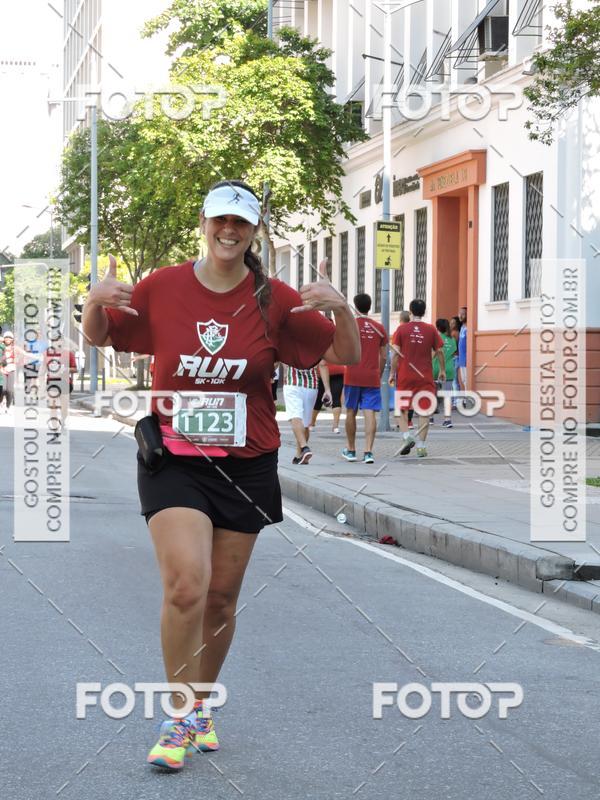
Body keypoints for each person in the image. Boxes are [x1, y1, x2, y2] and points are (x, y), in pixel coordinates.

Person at [82, 180, 360, 772]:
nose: (229, 231)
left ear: (253, 231)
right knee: (188, 584)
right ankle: (178, 715)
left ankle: (202, 705)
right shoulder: (162, 287)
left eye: (241, 223)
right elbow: (103, 334)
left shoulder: (275, 299)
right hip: (176, 460)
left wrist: (341, 308)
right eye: (220, 221)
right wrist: (93, 300)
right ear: (205, 225)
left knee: (221, 599)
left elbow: (347, 355)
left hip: (247, 463)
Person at [389, 299, 445, 458]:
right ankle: (421, 446)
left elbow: (395, 354)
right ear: (424, 312)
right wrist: (442, 370)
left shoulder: (401, 329)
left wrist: (392, 373)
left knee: (401, 409)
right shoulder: (431, 329)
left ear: (410, 312)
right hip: (424, 376)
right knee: (424, 411)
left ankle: (407, 436)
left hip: (405, 375)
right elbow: (440, 351)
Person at [342, 293, 387, 464]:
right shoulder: (379, 328)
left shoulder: (350, 325)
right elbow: (384, 356)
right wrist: (378, 373)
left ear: (355, 306)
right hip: (371, 376)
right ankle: (368, 452)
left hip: (352, 374)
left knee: (351, 411)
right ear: (370, 306)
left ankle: (351, 450)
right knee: (370, 413)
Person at [283, 361, 330, 464]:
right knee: (305, 423)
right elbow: (322, 364)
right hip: (311, 386)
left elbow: (277, 360)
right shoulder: (315, 349)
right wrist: (327, 389)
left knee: (295, 416)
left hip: (292, 382)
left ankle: (304, 448)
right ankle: (299, 455)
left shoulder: (288, 348)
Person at [433, 319, 457, 428]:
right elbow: (453, 353)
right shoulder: (452, 339)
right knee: (447, 395)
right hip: (449, 369)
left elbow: (433, 354)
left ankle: (430, 418)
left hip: (436, 368)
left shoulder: (436, 338)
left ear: (437, 327)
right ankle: (447, 420)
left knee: (432, 393)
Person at [311, 360, 344, 433]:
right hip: (337, 370)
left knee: (318, 399)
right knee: (336, 398)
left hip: (322, 371)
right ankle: (335, 426)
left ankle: (312, 424)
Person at [457, 306, 468, 391]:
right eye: (459, 313)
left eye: (463, 314)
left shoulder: (468, 328)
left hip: (466, 361)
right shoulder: (462, 327)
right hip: (461, 360)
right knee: (464, 381)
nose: (460, 316)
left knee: (467, 381)